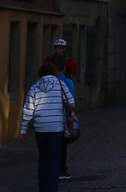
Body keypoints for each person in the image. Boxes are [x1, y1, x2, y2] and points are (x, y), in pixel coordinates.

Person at [19, 61, 74, 192]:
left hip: (40, 128)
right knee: (54, 158)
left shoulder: (34, 87)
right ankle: (52, 188)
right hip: (57, 128)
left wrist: (23, 129)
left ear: (41, 74)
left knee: (43, 157)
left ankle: (43, 188)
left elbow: (28, 110)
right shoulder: (60, 85)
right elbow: (71, 102)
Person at [49, 40, 79, 180]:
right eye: (57, 48)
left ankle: (54, 169)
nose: (58, 50)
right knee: (61, 142)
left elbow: (74, 70)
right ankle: (60, 169)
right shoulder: (50, 59)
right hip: (60, 115)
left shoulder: (68, 60)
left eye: (60, 48)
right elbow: (71, 101)